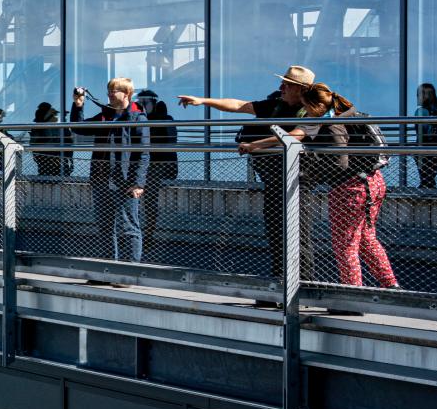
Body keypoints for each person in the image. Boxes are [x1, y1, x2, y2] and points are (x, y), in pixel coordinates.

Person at [181, 65, 314, 288]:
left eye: (287, 84)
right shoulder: (275, 105)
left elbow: (294, 137)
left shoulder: (312, 111)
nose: (281, 87)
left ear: (301, 89)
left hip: (298, 181)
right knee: (275, 230)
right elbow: (238, 105)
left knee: (298, 234)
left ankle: (304, 285)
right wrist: (202, 101)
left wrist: (254, 145)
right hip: (273, 179)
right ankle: (281, 283)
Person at [298, 84, 398, 289]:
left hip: (349, 188)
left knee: (345, 244)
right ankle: (390, 285)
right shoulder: (351, 115)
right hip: (373, 181)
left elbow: (339, 162)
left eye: (306, 107)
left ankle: (353, 294)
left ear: (317, 106)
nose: (305, 112)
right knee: (367, 239)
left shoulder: (333, 124)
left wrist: (310, 169)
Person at [72, 78, 152, 264]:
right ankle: (108, 270)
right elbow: (78, 128)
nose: (109, 93)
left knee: (129, 227)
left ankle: (131, 271)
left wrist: (138, 183)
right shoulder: (104, 116)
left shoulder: (137, 117)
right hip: (101, 179)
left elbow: (143, 153)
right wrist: (78, 105)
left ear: (126, 94)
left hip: (125, 182)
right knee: (105, 228)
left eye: (114, 90)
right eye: (109, 90)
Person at [137, 91, 178, 258]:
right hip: (143, 164)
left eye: (145, 102)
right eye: (140, 102)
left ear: (153, 103)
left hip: (155, 165)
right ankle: (140, 234)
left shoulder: (163, 119)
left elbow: (168, 143)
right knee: (139, 199)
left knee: (149, 200)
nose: (142, 105)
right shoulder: (143, 118)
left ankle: (148, 235)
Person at [413, 82, 437, 190]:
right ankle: (428, 185)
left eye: (418, 95)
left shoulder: (421, 111)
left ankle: (426, 185)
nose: (417, 98)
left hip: (427, 145)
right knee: (430, 171)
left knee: (425, 170)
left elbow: (422, 132)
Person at [31, 101, 70, 177]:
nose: (56, 117)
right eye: (54, 114)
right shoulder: (42, 128)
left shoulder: (56, 128)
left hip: (55, 164)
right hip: (50, 163)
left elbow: (68, 141)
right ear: (48, 116)